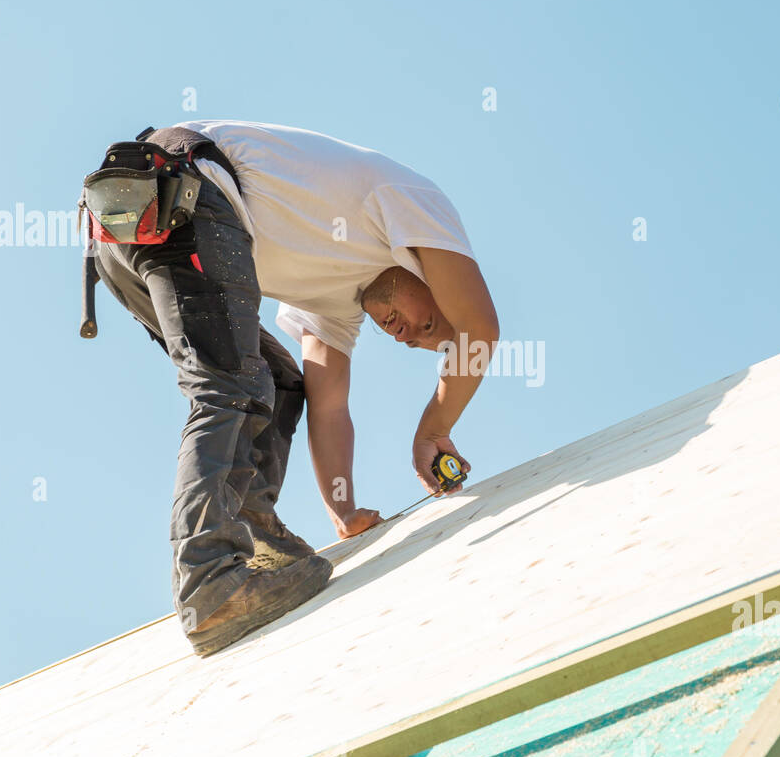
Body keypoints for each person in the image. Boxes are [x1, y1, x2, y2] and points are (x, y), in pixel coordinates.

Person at [84, 120, 499, 656]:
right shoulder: (415, 203)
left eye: (415, 341)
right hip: (174, 189)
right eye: (427, 322)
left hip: (126, 226)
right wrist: (434, 428)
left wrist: (344, 511)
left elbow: (329, 407)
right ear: (434, 275)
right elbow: (480, 330)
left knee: (275, 382)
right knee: (229, 383)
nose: (405, 334)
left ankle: (257, 547)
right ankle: (210, 580)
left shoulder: (336, 301)